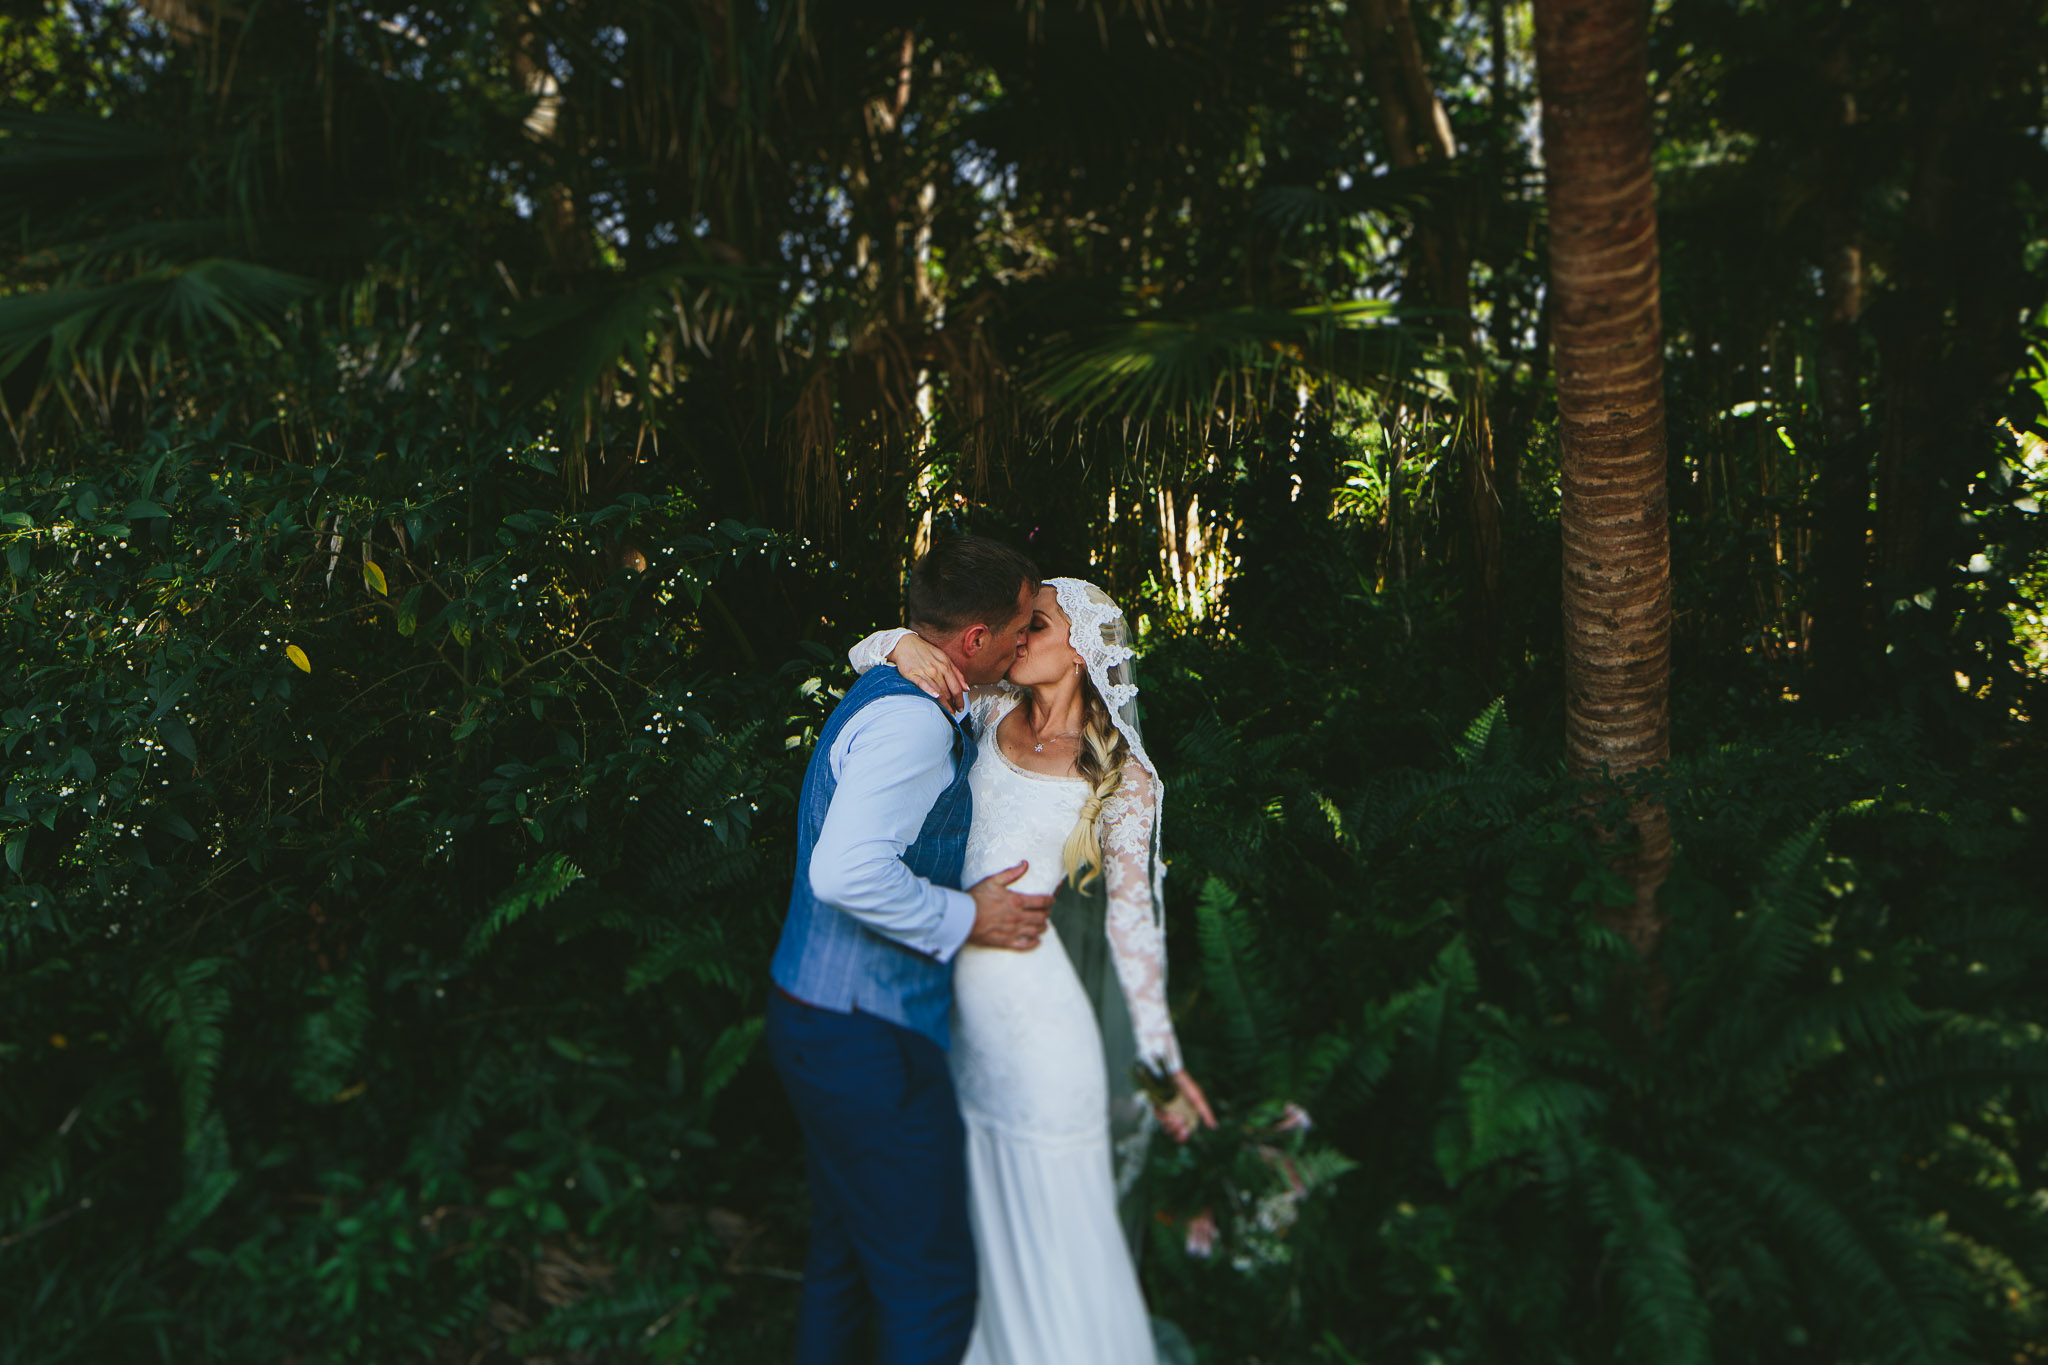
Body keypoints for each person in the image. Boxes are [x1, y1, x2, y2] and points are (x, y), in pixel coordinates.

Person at [849, 576, 1218, 1365]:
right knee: (980, 1240)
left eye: (1037, 625)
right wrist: (907, 643)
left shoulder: (1125, 778)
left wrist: (1158, 1058)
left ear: (1081, 650)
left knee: (1060, 1253)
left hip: (1043, 1040)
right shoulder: (983, 715)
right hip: (958, 1025)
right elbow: (865, 654)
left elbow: (1133, 925)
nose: (1017, 637)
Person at [765, 535, 1056, 1365]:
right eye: (1016, 626)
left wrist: (891, 642)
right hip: (864, 1040)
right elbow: (846, 871)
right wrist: (966, 916)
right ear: (973, 639)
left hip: (818, 1015)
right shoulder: (911, 726)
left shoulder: (906, 681)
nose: (1023, 639)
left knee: (845, 1259)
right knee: (929, 1282)